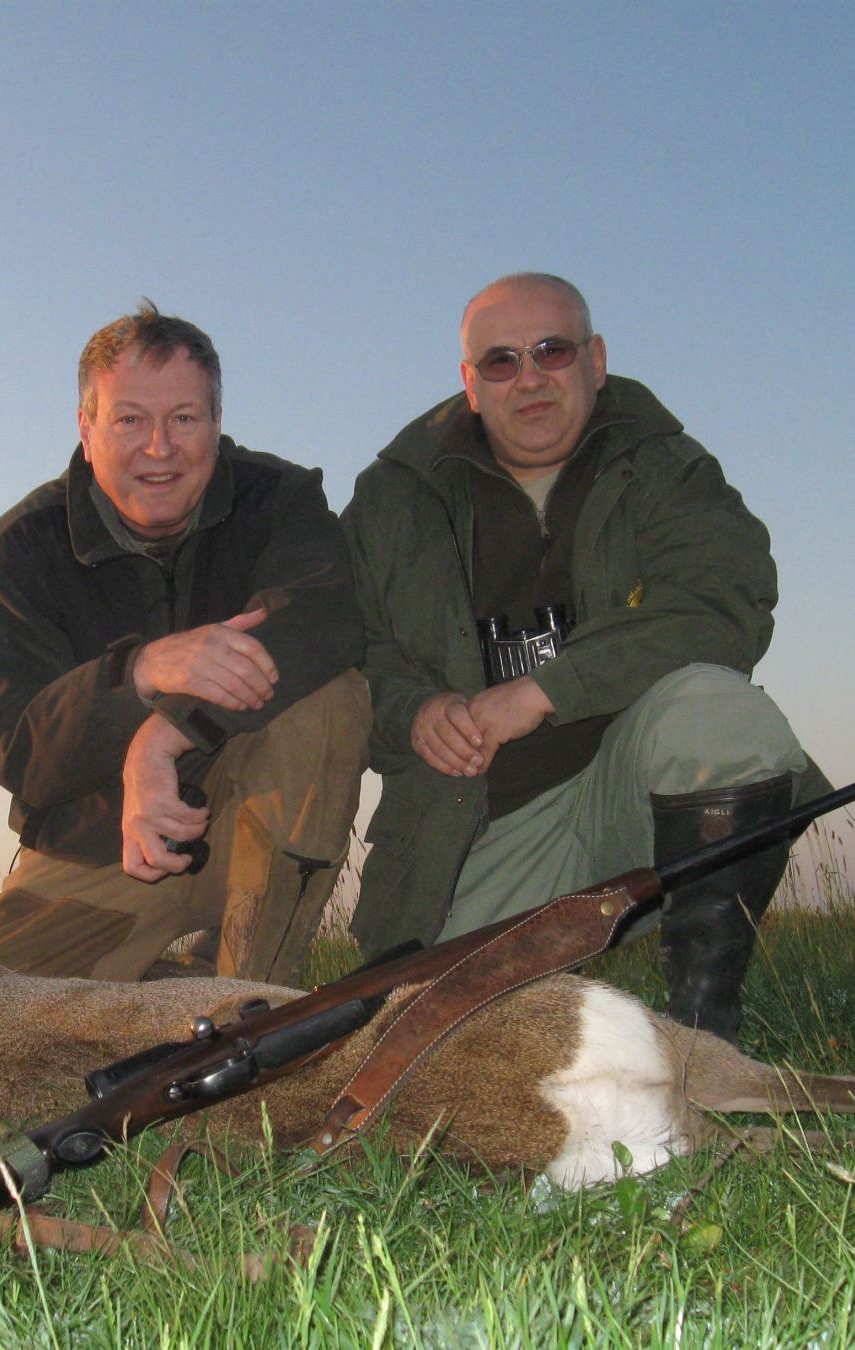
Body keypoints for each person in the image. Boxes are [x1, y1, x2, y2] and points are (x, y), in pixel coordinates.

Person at [341, 273, 827, 1042]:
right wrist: (415, 712)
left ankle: (703, 1032)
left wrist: (543, 692)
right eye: (501, 361)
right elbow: (349, 660)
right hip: (474, 827)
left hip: (626, 800)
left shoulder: (666, 466)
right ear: (470, 384)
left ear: (595, 361)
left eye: (552, 351)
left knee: (720, 711)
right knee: (428, 1038)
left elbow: (721, 605)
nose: (529, 378)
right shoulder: (391, 500)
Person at [0, 302, 369, 985]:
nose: (159, 448)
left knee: (330, 697)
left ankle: (250, 998)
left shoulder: (281, 498)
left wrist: (163, 736)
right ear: (86, 428)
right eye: (130, 420)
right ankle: (167, 999)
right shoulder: (13, 555)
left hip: (250, 818)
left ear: (216, 423)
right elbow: (13, 746)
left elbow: (325, 620)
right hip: (102, 847)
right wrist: (138, 674)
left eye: (184, 419)